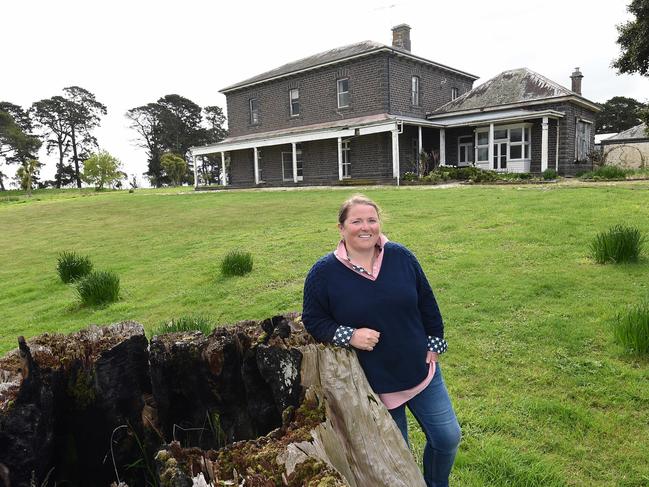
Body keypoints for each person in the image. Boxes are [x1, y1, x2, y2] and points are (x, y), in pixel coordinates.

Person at [302, 194, 461, 487]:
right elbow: (313, 320)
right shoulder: (323, 273)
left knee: (448, 438)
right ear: (341, 228)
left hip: (420, 369)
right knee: (397, 456)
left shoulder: (401, 256)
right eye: (356, 221)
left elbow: (426, 301)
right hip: (374, 383)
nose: (366, 227)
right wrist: (350, 335)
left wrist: (435, 342)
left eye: (372, 220)